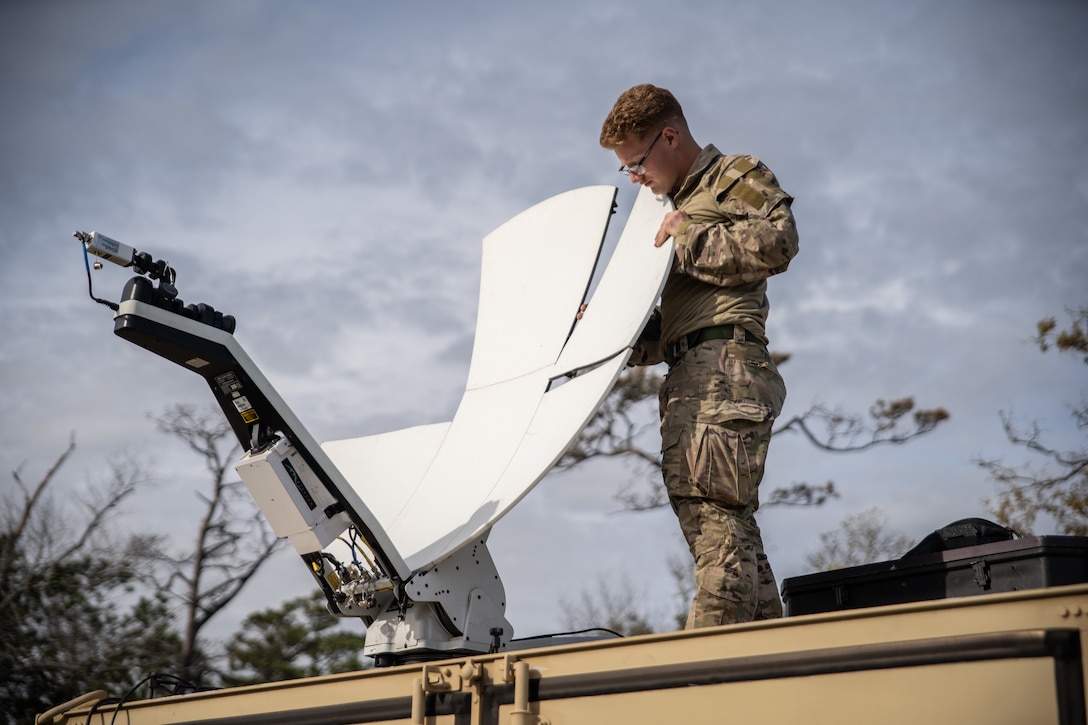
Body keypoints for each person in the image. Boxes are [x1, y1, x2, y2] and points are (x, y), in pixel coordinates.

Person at [599, 84, 799, 627]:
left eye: (636, 164)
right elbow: (675, 325)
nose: (635, 178)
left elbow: (779, 240)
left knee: (716, 525)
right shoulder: (669, 208)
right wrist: (605, 331)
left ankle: (706, 667)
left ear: (670, 136)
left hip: (724, 368)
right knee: (727, 527)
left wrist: (688, 236)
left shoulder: (731, 175)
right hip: (692, 370)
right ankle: (770, 657)